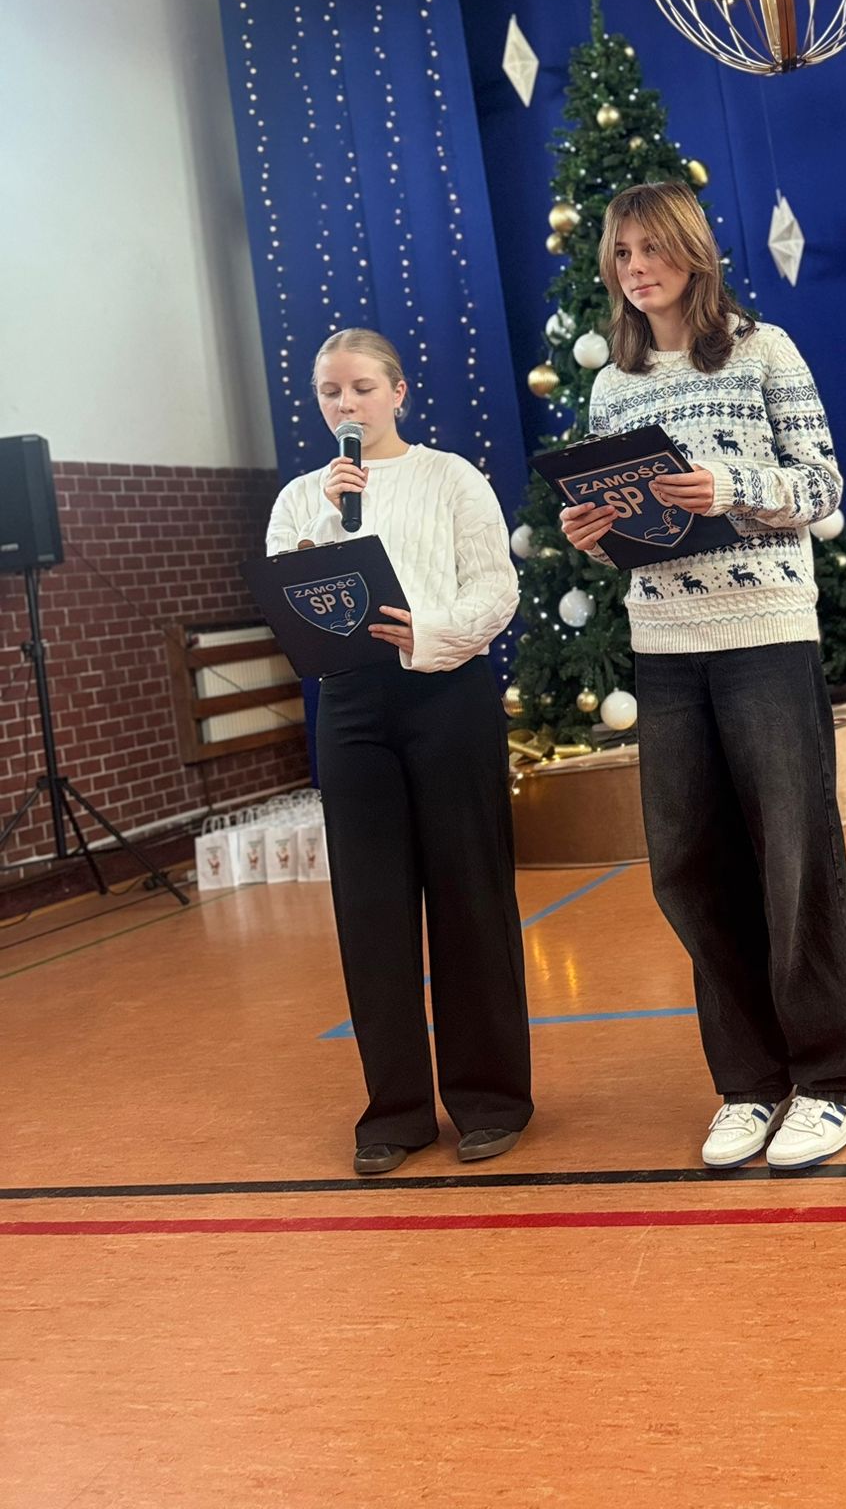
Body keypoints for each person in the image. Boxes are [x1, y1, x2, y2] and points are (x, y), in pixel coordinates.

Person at [560, 183, 846, 1171]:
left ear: (692, 252)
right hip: (663, 645)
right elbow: (630, 534)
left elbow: (824, 483)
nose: (636, 268)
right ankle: (751, 1082)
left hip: (766, 633)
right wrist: (593, 536)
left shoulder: (764, 350)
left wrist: (730, 487)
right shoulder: (612, 387)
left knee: (792, 857)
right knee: (689, 867)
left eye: (652, 248)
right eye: (622, 254)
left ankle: (836, 1081)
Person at [266, 327, 532, 1177]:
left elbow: (496, 587)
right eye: (330, 392)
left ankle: (491, 1100)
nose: (345, 404)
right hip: (351, 705)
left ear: (398, 392)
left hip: (446, 691)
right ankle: (396, 1111)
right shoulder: (302, 498)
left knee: (468, 895)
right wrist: (327, 515)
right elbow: (292, 595)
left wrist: (432, 633)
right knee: (371, 907)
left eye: (361, 388)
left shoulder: (451, 477)